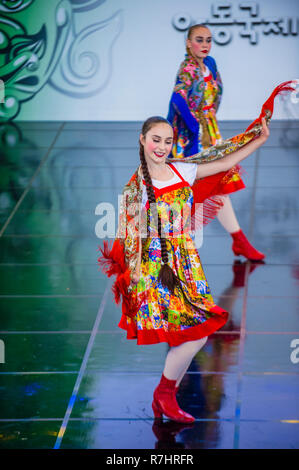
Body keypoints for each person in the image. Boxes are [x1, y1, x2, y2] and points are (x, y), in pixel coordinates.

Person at [97, 80, 294, 423]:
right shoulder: (137, 188)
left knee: (196, 335)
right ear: (142, 140)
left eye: (167, 141)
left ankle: (164, 393)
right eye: (155, 140)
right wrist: (142, 281)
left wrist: (259, 140)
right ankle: (165, 394)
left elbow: (221, 162)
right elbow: (129, 239)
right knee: (196, 334)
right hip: (160, 272)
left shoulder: (181, 169)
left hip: (187, 264)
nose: (161, 146)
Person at [167, 23, 265, 261]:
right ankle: (170, 247)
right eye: (199, 40)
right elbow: (177, 99)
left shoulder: (209, 64)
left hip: (209, 133)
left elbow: (216, 92)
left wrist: (209, 121)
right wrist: (194, 126)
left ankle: (239, 240)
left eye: (208, 40)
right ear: (188, 43)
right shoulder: (187, 68)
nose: (205, 45)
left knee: (217, 186)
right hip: (191, 138)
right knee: (186, 193)